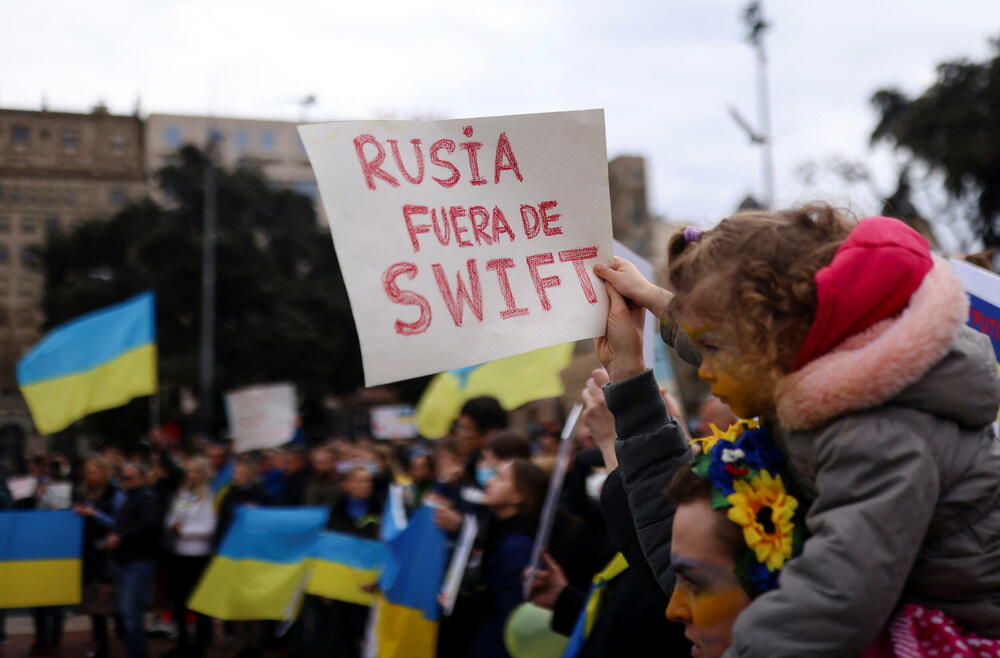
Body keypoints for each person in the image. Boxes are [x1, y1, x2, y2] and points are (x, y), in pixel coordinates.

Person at [594, 206, 1000, 655]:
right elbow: (735, 345)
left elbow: (837, 593)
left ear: (785, 338)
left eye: (711, 347)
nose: (704, 370)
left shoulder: (878, 436)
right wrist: (650, 297)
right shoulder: (831, 385)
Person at [466, 458, 548, 658]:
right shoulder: (493, 528)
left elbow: (507, 610)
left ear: (518, 495)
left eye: (500, 478)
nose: (489, 482)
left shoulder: (519, 546)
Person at [162, 457, 217, 658]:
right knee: (178, 600)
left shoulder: (208, 496)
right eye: (189, 471)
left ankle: (201, 643)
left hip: (198, 554)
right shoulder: (183, 494)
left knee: (198, 601)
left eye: (194, 471)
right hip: (178, 553)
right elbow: (172, 516)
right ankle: (182, 641)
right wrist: (172, 525)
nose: (190, 475)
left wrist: (184, 531)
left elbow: (208, 527)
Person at [73, 456, 126, 658]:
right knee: (95, 605)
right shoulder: (86, 493)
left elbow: (119, 522)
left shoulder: (115, 494)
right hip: (90, 555)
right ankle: (100, 644)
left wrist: (94, 514)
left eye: (94, 471)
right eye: (88, 471)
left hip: (108, 555)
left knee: (107, 601)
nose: (90, 475)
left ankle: (120, 639)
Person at [106, 462, 160, 658]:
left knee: (131, 610)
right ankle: (134, 650)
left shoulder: (146, 497)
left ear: (142, 478)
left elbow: (149, 524)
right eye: (122, 478)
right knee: (127, 610)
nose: (124, 482)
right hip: (125, 559)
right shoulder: (129, 498)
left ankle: (137, 652)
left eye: (129, 478)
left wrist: (122, 536)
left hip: (137, 560)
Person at [31, 460, 73, 654]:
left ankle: (55, 637)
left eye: (48, 469)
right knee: (38, 597)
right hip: (37, 548)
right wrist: (35, 494)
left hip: (59, 549)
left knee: (56, 597)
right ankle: (41, 637)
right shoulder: (35, 488)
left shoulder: (69, 488)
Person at [454, 396, 508, 486]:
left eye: (465, 429)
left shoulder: (503, 475)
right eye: (458, 427)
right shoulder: (468, 466)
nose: (459, 435)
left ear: (490, 432)